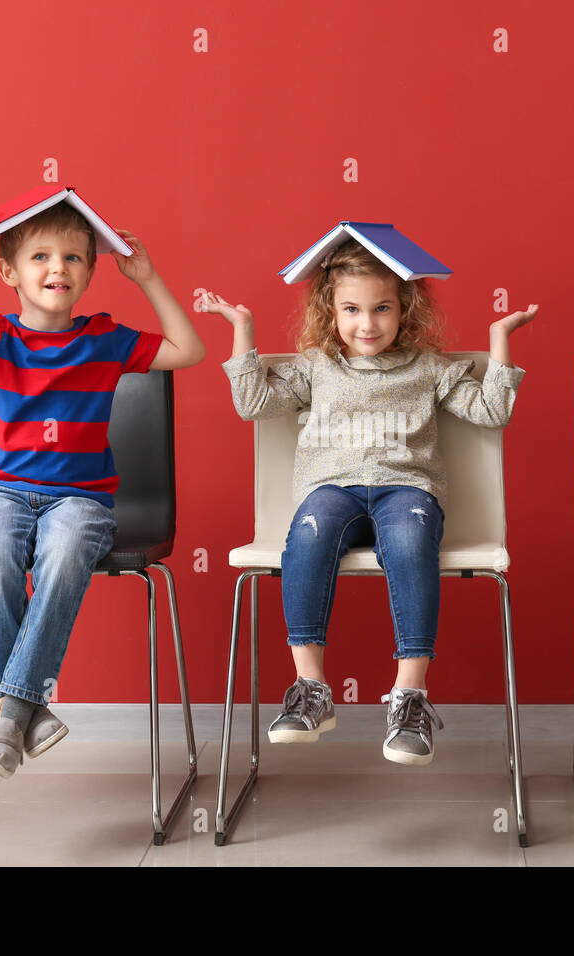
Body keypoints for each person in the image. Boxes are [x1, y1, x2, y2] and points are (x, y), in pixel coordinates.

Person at [205, 238, 536, 765]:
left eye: (382, 308)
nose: (367, 324)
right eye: (352, 309)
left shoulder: (427, 367)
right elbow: (253, 403)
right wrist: (242, 331)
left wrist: (499, 342)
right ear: (330, 311)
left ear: (404, 309)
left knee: (407, 540)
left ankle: (410, 696)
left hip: (407, 490)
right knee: (308, 535)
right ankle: (311, 689)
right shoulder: (317, 366)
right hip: (332, 490)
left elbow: (491, 411)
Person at [0, 199, 206, 776]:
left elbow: (189, 350)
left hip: (82, 500)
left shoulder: (104, 338)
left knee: (66, 549)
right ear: (9, 273)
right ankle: (28, 704)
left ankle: (10, 706)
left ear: (90, 272)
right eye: (41, 256)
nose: (60, 267)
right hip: (1, 492)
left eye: (75, 257)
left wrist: (148, 280)